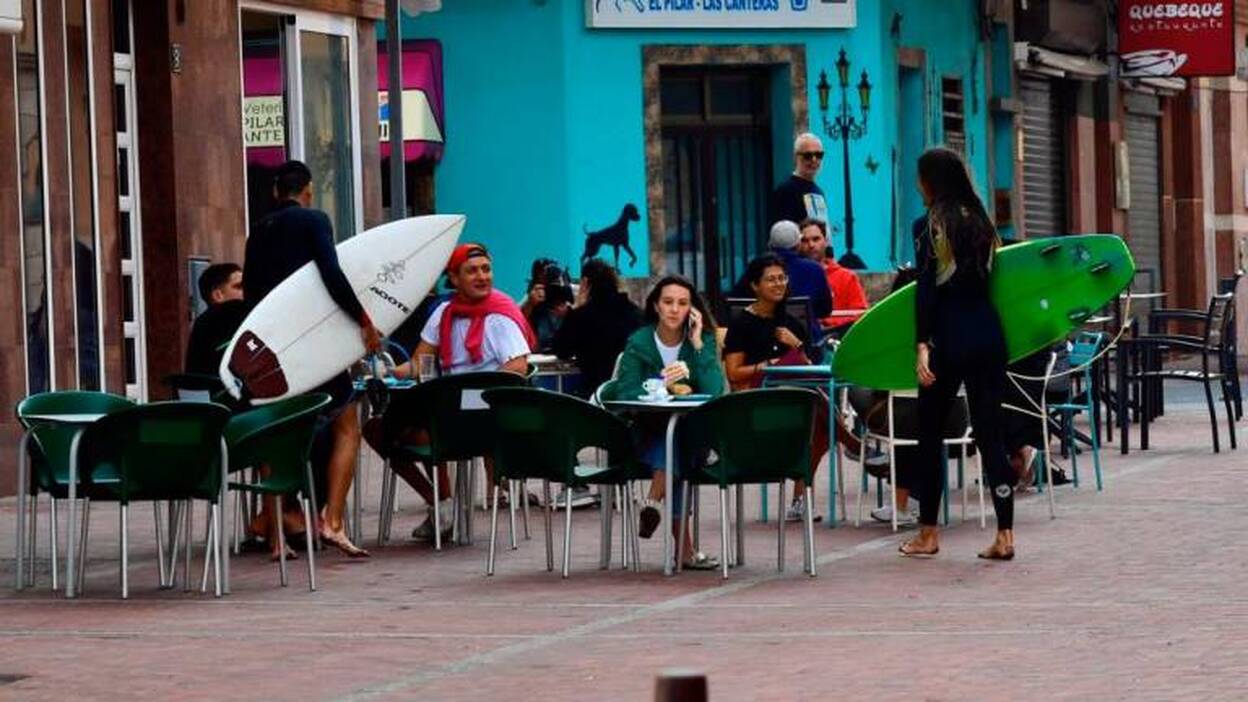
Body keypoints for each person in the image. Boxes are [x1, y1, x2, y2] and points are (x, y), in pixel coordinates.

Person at [243, 159, 380, 558]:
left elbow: (253, 295)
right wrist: (363, 318)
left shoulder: (258, 232)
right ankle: (332, 521)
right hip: (312, 343)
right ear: (307, 191)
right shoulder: (313, 220)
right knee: (346, 425)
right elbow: (330, 273)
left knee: (275, 432)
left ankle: (274, 536)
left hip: (274, 348)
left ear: (274, 192)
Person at [376, 243, 535, 541]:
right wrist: (385, 371)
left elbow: (518, 367)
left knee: (423, 426)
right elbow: (417, 363)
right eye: (472, 271)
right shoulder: (443, 314)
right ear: (454, 278)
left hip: (486, 416)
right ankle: (440, 502)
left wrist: (475, 389)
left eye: (486, 269)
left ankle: (443, 506)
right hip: (446, 412)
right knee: (377, 430)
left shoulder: (500, 315)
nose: (482, 276)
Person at [902, 147, 1016, 560]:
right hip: (988, 335)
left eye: (920, 177)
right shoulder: (985, 224)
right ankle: (1005, 534)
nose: (918, 185)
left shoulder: (928, 226)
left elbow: (927, 290)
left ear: (932, 180)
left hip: (948, 340)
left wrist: (921, 344)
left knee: (929, 433)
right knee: (990, 433)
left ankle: (928, 534)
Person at [607, 275, 725, 569]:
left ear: (692, 310)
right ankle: (683, 549)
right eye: (668, 302)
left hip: (694, 432)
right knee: (671, 444)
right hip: (646, 431)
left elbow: (713, 389)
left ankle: (653, 502)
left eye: (683, 303)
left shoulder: (703, 341)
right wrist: (661, 383)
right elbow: (625, 391)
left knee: (678, 439)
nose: (674, 309)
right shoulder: (639, 341)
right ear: (656, 306)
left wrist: (698, 343)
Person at [721, 254, 832, 522]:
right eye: (771, 279)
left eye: (782, 278)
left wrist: (795, 345)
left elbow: (806, 368)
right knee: (822, 418)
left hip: (792, 396)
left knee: (820, 427)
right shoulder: (742, 323)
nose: (778, 284)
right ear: (755, 286)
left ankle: (799, 500)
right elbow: (734, 374)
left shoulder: (791, 321)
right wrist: (767, 365)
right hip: (756, 400)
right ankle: (855, 444)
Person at [552, 258, 643, 399]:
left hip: (595, 397)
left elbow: (561, 350)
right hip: (633, 395)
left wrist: (575, 308)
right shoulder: (636, 314)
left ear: (585, 283)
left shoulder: (581, 317)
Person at [798, 219, 869, 336]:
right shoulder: (792, 276)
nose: (811, 245)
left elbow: (860, 314)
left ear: (826, 241)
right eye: (805, 241)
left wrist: (826, 323)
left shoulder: (847, 277)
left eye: (816, 239)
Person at [184, 263, 248, 376]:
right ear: (218, 295)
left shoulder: (201, 323)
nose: (246, 291)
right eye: (239, 287)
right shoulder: (231, 314)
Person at [769, 132, 829, 227]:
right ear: (796, 157)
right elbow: (781, 233)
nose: (814, 160)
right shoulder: (786, 190)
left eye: (819, 155)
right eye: (808, 156)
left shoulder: (819, 191)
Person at [522, 258, 575, 352]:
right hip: (540, 351)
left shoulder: (571, 291)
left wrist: (571, 312)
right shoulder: (532, 296)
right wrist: (529, 304)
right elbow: (516, 319)